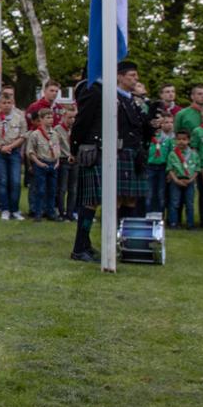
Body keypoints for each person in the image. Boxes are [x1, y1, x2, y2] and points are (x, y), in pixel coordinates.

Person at [70, 61, 155, 261]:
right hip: (98, 150)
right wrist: (76, 147)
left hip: (126, 153)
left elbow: (136, 128)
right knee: (92, 200)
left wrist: (151, 124)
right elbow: (83, 121)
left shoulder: (129, 99)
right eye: (131, 75)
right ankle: (80, 247)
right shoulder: (95, 91)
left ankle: (118, 244)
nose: (136, 79)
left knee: (126, 198)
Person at [0, 93, 26, 221]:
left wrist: (10, 146)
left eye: (9, 102)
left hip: (14, 152)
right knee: (3, 181)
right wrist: (0, 148)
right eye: (4, 103)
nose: (6, 105)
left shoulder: (19, 118)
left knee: (15, 182)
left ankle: (14, 210)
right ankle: (4, 209)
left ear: (13, 103)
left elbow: (22, 136)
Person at [26, 108, 61, 221]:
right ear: (41, 119)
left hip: (53, 164)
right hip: (41, 163)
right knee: (40, 190)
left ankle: (50, 212)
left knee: (52, 190)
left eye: (52, 117)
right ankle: (38, 212)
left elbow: (57, 149)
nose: (51, 120)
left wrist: (57, 161)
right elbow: (30, 151)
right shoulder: (35, 135)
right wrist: (38, 163)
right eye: (48, 118)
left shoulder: (55, 134)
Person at [167, 130, 198, 229]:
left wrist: (191, 180)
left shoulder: (193, 154)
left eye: (184, 139)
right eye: (179, 139)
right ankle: (173, 223)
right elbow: (170, 169)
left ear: (188, 140)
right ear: (175, 140)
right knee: (174, 203)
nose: (181, 141)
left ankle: (190, 224)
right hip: (176, 181)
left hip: (190, 181)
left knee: (189, 204)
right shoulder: (172, 154)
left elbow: (197, 169)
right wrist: (176, 180)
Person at [146, 115, 174, 217]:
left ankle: (160, 216)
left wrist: (170, 171)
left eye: (171, 122)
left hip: (163, 168)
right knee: (149, 192)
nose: (169, 124)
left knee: (161, 193)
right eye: (166, 122)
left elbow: (171, 155)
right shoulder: (152, 137)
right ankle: (148, 214)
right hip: (150, 167)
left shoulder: (171, 139)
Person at [54, 106, 79, 221]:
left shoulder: (77, 129)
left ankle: (70, 212)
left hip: (75, 161)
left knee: (73, 188)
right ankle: (60, 211)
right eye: (69, 117)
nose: (72, 120)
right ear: (63, 117)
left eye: (74, 117)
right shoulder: (57, 130)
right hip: (64, 160)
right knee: (62, 188)